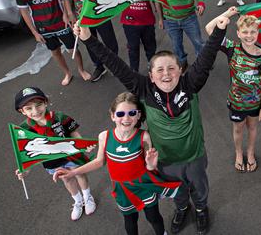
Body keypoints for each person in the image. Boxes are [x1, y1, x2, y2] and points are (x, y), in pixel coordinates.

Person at [74, 12, 231, 235]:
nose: (166, 74)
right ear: (151, 75)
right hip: (165, 160)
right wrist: (89, 39)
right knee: (177, 192)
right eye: (160, 70)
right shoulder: (144, 89)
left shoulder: (190, 83)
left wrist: (219, 31)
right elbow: (116, 65)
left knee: (199, 187)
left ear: (180, 71)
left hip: (194, 156)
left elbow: (206, 57)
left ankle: (201, 209)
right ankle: (182, 208)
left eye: (171, 69)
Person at [54, 92, 182, 234]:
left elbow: (149, 167)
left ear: (138, 115)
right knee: (130, 220)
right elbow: (99, 162)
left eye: (132, 113)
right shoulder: (104, 136)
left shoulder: (143, 136)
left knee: (153, 216)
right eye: (120, 114)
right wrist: (72, 172)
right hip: (122, 189)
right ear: (113, 116)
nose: (126, 118)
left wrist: (151, 165)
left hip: (143, 185)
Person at [13, 87, 96, 220]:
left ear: (46, 102)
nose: (35, 111)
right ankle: (78, 201)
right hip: (52, 161)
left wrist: (83, 145)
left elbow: (74, 133)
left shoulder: (59, 117)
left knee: (79, 173)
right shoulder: (23, 130)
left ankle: (88, 197)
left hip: (72, 154)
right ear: (22, 111)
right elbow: (27, 153)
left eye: (38, 105)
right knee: (66, 178)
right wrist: (25, 170)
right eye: (29, 108)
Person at [206, 7, 261, 173]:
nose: (249, 35)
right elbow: (209, 28)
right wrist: (228, 14)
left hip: (255, 103)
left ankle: (250, 152)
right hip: (236, 102)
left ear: (257, 33)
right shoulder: (232, 48)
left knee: (253, 128)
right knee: (238, 128)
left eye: (252, 32)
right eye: (245, 32)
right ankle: (238, 152)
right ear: (238, 33)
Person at [14, 0, 90, 85]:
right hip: (43, 27)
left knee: (73, 49)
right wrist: (35, 33)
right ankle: (67, 73)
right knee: (55, 52)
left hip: (61, 23)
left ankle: (81, 70)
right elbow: (24, 11)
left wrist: (66, 14)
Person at [152, 0, 206, 71]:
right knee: (176, 46)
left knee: (198, 42)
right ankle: (182, 63)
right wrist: (161, 19)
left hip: (189, 18)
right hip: (170, 21)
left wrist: (201, 4)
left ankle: (203, 63)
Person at [118, 0, 159, 72]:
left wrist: (160, 16)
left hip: (147, 21)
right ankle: (134, 73)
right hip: (129, 22)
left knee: (151, 49)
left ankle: (153, 71)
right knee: (133, 49)